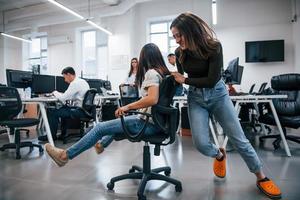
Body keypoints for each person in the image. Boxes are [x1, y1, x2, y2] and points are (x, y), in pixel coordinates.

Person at [170, 12, 281, 199]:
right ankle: (219, 155)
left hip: (218, 94)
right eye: (173, 36)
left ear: (190, 31)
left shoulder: (213, 46)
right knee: (202, 144)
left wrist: (186, 79)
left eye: (178, 35)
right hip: (196, 98)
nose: (176, 40)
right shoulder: (180, 53)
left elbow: (212, 79)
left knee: (239, 139)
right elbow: (183, 79)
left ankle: (261, 177)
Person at [45, 43, 170, 166]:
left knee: (99, 128)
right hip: (155, 122)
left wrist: (127, 106)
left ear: (145, 58)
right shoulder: (162, 74)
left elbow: (152, 99)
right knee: (118, 121)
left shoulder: (151, 73)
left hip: (146, 123)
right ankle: (102, 144)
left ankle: (64, 156)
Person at [94, 57, 139, 154]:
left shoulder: (141, 73)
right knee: (116, 123)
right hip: (128, 95)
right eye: (132, 62)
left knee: (115, 125)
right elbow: (126, 81)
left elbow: (139, 85)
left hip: (136, 97)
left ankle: (102, 142)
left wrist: (134, 85)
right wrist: (124, 84)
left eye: (135, 62)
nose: (134, 64)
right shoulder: (130, 73)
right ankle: (101, 142)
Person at [38, 67, 90, 141]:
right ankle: (63, 134)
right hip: (85, 110)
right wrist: (63, 95)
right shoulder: (83, 82)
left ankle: (51, 136)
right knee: (63, 108)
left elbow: (63, 98)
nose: (65, 80)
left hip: (79, 111)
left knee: (52, 111)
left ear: (69, 74)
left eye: (65, 77)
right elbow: (75, 96)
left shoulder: (74, 83)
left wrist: (55, 92)